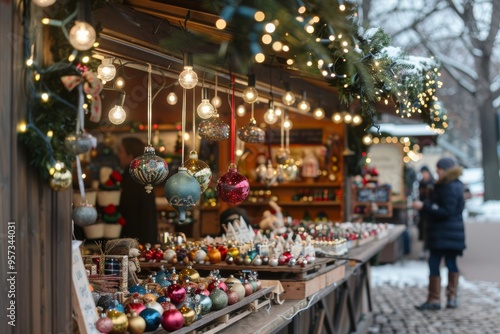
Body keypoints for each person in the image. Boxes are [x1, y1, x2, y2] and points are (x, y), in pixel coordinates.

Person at [411, 157, 466, 310]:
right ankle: (450, 297)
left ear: (446, 170)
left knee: (437, 263)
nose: (436, 172)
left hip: (445, 234)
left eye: (439, 169)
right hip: (447, 234)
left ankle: (436, 299)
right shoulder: (451, 185)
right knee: (448, 263)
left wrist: (425, 206)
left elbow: (446, 211)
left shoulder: (449, 187)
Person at [117, 137, 159, 245]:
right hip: (146, 238)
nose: (118, 155)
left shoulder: (131, 179)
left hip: (135, 241)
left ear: (130, 156)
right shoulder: (143, 175)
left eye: (121, 151)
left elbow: (129, 214)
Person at [417, 165, 435, 255]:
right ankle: (425, 248)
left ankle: (428, 248)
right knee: (423, 229)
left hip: (430, 210)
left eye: (425, 173)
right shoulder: (421, 183)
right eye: (422, 173)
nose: (424, 175)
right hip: (422, 211)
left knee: (429, 230)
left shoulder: (433, 183)